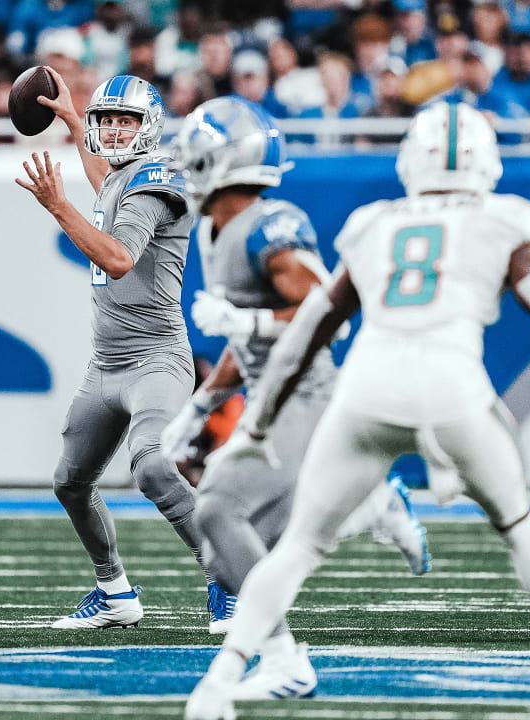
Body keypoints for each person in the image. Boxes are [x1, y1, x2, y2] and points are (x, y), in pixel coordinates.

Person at [183, 101, 530, 720]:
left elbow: (314, 327)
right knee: (519, 526)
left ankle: (214, 691)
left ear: (411, 160)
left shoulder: (374, 223)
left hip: (366, 391)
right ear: (487, 162)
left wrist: (256, 424)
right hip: (451, 387)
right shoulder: (503, 217)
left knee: (297, 548)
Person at [163, 96, 430, 698]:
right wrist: (201, 405)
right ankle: (373, 510)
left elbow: (327, 316)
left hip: (308, 396)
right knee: (226, 549)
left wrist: (247, 322)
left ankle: (284, 659)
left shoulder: (269, 224)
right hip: (268, 396)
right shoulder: (217, 230)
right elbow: (244, 338)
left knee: (218, 512)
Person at [16, 68, 225, 630]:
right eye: (105, 121)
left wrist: (58, 206)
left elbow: (117, 257)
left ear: (148, 126)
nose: (109, 131)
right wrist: (70, 118)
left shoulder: (159, 181)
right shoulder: (123, 175)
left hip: (158, 358)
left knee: (154, 466)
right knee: (70, 482)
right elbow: (106, 191)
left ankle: (228, 575)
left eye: (123, 121)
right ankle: (114, 593)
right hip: (106, 364)